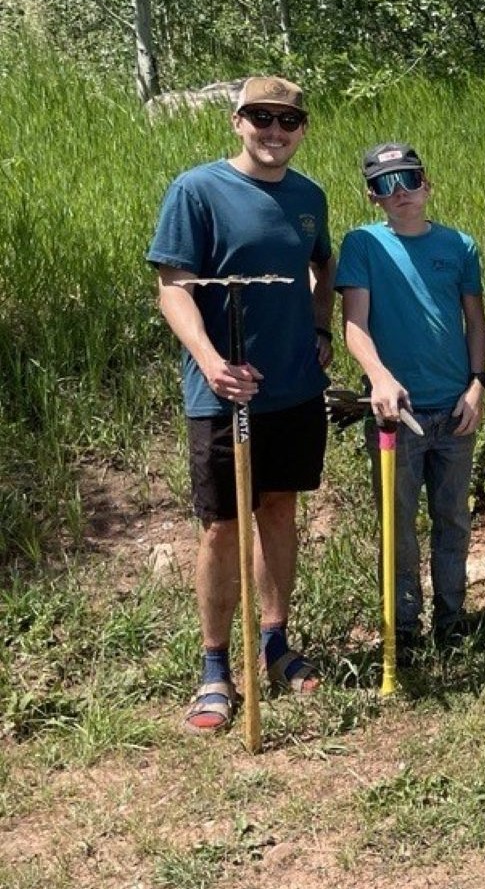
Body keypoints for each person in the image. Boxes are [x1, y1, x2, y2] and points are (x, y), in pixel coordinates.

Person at [147, 76, 334, 735]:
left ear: (302, 127)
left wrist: (319, 328)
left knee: (279, 508)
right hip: (222, 395)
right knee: (222, 526)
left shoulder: (309, 197)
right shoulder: (197, 190)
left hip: (293, 390)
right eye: (261, 117)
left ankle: (275, 641)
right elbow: (172, 287)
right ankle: (214, 666)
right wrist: (211, 362)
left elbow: (322, 266)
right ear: (237, 121)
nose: (274, 130)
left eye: (287, 119)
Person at [336, 142, 485, 651]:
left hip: (454, 410)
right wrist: (378, 376)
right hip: (394, 416)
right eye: (385, 184)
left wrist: (477, 384)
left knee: (453, 519)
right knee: (397, 527)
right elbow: (354, 324)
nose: (399, 193)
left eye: (408, 180)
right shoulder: (363, 245)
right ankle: (402, 627)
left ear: (428, 184)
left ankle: (452, 619)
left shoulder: (460, 246)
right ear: (372, 196)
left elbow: (474, 321)